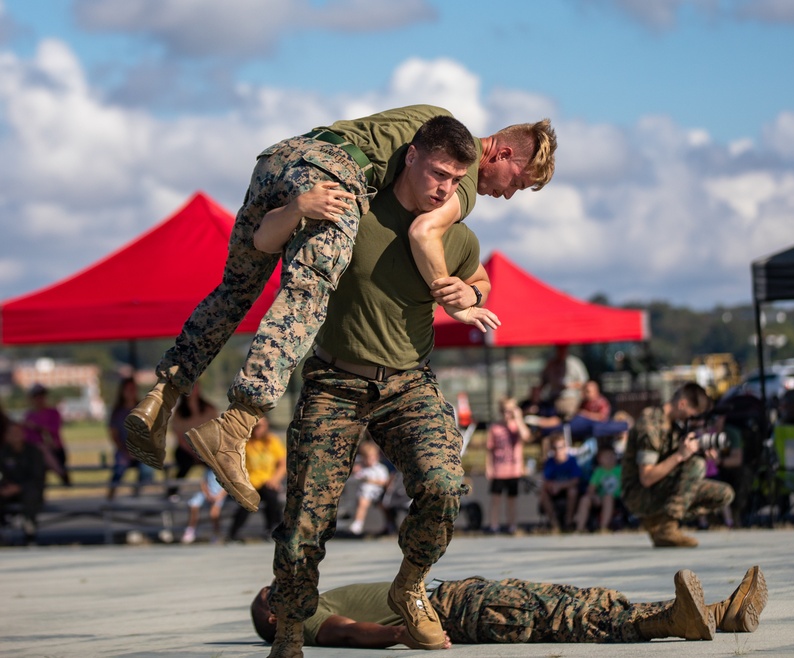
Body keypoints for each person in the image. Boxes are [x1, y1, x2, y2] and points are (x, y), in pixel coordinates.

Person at [125, 106, 557, 515]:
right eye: (515, 182)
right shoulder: (456, 165)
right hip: (333, 177)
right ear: (499, 153)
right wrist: (451, 297)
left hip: (281, 159)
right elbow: (425, 231)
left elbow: (264, 242)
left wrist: (295, 207)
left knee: (235, 289)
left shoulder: (429, 120)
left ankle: (161, 397)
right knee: (307, 293)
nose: (506, 195)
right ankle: (237, 424)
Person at [265, 115, 525, 657]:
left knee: (445, 484)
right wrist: (296, 208)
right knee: (303, 526)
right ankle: (289, 630)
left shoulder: (455, 234)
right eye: (437, 174)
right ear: (410, 157)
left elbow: (480, 280)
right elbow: (262, 240)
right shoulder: (355, 208)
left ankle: (409, 587)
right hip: (336, 381)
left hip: (408, 384)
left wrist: (470, 296)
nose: (444, 190)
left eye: (456, 181)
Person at [251, 566, 768, 647]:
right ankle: (675, 621)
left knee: (573, 600)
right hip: (453, 613)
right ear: (275, 617)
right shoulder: (304, 619)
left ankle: (720, 614)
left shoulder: (309, 597)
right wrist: (400, 636)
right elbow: (345, 632)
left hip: (457, 595)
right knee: (558, 615)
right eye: (273, 592)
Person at [621, 382, 735, 548]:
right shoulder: (650, 426)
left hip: (662, 488)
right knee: (696, 465)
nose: (692, 420)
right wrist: (680, 455)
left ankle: (658, 523)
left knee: (724, 494)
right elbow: (646, 477)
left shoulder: (675, 426)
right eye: (692, 415)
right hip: (638, 494)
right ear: (682, 404)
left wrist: (701, 453)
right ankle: (667, 527)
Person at [229, 416, 286, 542]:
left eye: (259, 426)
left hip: (267, 481)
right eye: (254, 427)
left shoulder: (272, 441)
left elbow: (282, 464)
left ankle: (271, 529)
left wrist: (275, 479)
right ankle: (233, 534)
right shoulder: (245, 442)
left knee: (272, 499)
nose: (256, 430)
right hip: (250, 482)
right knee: (247, 503)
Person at [526, 380, 630, 442]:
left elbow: (602, 418)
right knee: (561, 424)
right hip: (580, 426)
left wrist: (586, 414)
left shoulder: (602, 402)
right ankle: (540, 423)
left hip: (591, 426)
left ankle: (540, 423)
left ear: (596, 391)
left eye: (588, 391)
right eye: (586, 391)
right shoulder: (584, 402)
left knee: (561, 426)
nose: (586, 393)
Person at [485, 397, 530, 535]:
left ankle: (512, 525)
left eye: (510, 411)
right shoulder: (495, 428)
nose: (507, 414)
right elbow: (489, 449)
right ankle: (494, 525)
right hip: (499, 469)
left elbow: (526, 436)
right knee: (496, 499)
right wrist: (489, 467)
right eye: (505, 411)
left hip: (513, 469)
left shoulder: (517, 426)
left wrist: (519, 418)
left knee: (512, 500)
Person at [165, 381, 216, 501]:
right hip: (186, 449)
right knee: (185, 463)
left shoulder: (208, 408)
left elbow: (215, 431)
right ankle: (172, 492)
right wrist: (193, 452)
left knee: (218, 465)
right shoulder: (180, 412)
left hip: (205, 448)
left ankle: (221, 491)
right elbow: (179, 436)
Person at [106, 376, 154, 500]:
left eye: (133, 389)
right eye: (128, 389)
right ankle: (111, 494)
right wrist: (124, 450)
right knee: (119, 467)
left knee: (148, 470)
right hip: (123, 449)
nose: (130, 392)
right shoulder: (118, 412)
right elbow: (114, 434)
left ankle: (136, 491)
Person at [0, 421, 47, 545]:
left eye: (17, 432)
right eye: (11, 433)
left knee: (31, 495)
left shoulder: (33, 452)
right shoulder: (4, 453)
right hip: (9, 491)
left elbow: (38, 477)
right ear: (6, 436)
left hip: (29, 490)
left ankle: (29, 532)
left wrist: (19, 487)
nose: (15, 435)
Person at [22, 384, 70, 485]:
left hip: (54, 451)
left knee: (42, 450)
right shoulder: (29, 415)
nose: (40, 399)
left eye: (42, 396)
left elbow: (54, 430)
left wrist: (36, 427)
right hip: (34, 453)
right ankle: (60, 473)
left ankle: (61, 473)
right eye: (36, 397)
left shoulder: (53, 413)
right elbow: (26, 436)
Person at [538, 435, 582, 532]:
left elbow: (576, 480)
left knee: (573, 491)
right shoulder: (550, 462)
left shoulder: (572, 461)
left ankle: (568, 522)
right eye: (555, 448)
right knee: (543, 493)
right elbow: (545, 480)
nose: (558, 451)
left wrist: (560, 486)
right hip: (554, 491)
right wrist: (551, 486)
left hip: (567, 490)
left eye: (561, 447)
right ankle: (554, 524)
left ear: (566, 448)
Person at [574, 444, 622, 533]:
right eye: (606, 457)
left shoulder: (620, 470)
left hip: (616, 498)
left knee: (608, 497)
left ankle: (603, 527)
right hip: (600, 497)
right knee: (585, 499)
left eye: (612, 456)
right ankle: (580, 528)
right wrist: (594, 496)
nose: (610, 459)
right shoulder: (598, 471)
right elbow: (591, 489)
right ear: (599, 460)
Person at [346, 440, 389, 536]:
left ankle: (388, 525)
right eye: (367, 458)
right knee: (363, 503)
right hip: (364, 493)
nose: (369, 461)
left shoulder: (380, 468)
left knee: (384, 508)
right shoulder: (363, 468)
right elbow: (356, 476)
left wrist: (370, 481)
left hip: (378, 492)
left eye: (371, 458)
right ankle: (358, 523)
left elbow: (384, 482)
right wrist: (355, 470)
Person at [538, 344, 589, 420]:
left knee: (567, 419)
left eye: (563, 349)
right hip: (553, 398)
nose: (561, 351)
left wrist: (570, 385)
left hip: (570, 398)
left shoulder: (574, 363)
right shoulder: (551, 364)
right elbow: (543, 381)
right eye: (559, 349)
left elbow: (584, 382)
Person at [181, 468, 228, 544]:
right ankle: (190, 530)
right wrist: (207, 495)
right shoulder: (208, 470)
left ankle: (217, 534)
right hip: (206, 493)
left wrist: (219, 496)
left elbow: (228, 486)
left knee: (213, 514)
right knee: (193, 505)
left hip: (218, 494)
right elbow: (203, 483)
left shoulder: (224, 471)